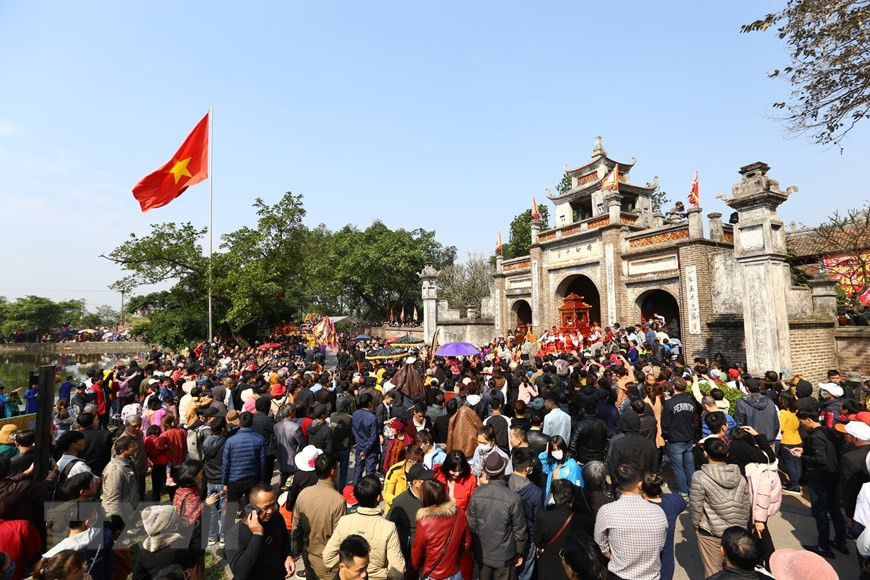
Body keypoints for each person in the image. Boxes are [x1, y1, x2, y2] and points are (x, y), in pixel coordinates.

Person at [593, 462, 667, 580]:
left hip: (618, 574)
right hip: (651, 576)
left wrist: (613, 556)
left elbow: (600, 542)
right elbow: (661, 545)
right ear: (640, 484)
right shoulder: (659, 512)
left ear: (617, 484)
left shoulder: (606, 511)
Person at [323, 476, 405, 580]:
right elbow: (397, 571)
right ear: (378, 498)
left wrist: (350, 567)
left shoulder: (345, 521)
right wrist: (381, 573)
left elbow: (328, 559)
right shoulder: (388, 527)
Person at [689, 438, 751, 577]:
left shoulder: (699, 477)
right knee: (736, 569)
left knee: (713, 571)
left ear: (705, 453)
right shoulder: (740, 476)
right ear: (727, 454)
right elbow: (746, 504)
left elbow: (696, 506)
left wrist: (695, 526)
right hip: (737, 530)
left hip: (711, 531)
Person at [793, 407, 848, 559]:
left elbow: (820, 459)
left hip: (819, 478)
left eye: (802, 421)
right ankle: (840, 540)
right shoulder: (827, 431)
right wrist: (805, 451)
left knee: (820, 513)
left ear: (809, 420)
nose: (802, 424)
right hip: (833, 475)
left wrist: (802, 457)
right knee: (835, 510)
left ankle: (823, 546)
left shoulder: (815, 437)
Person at [466, 453, 528, 580]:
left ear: (487, 473)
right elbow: (520, 530)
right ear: (503, 471)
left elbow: (471, 525)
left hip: (482, 554)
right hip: (504, 558)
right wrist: (520, 552)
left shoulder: (476, 494)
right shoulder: (513, 498)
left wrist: (473, 549)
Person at [291, 454, 346, 579]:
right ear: (333, 471)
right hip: (327, 562)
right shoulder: (338, 500)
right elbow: (339, 536)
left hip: (308, 556)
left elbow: (295, 527)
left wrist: (297, 549)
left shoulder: (304, 493)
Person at [226, 482, 295, 580]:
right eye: (265, 507)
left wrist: (288, 556)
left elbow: (284, 542)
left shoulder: (277, 517)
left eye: (273, 505)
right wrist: (257, 534)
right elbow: (240, 573)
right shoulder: (233, 534)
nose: (270, 511)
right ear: (252, 508)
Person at [411, 479, 472, 580]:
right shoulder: (459, 512)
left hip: (432, 574)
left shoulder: (424, 522)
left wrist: (410, 574)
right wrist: (454, 558)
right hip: (454, 572)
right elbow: (467, 541)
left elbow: (417, 553)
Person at [173, 459, 219, 578]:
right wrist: (206, 504)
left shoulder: (182, 489)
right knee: (195, 566)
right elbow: (190, 518)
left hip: (187, 535)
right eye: (201, 473)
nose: (203, 475)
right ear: (192, 476)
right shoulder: (189, 495)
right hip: (191, 536)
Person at [387, 463, 433, 577]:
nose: (431, 483)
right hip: (410, 557)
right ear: (415, 483)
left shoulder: (434, 497)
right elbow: (388, 527)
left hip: (431, 553)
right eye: (426, 480)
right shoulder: (400, 502)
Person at [506, 448, 544, 580]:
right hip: (528, 539)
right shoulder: (535, 492)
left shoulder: (504, 482)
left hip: (506, 536)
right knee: (525, 574)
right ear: (528, 468)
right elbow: (538, 520)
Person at [534, 479, 584, 580]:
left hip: (549, 567)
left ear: (553, 496)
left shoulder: (543, 517)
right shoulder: (585, 520)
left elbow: (537, 541)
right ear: (573, 497)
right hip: (574, 568)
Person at [132, 505, 198, 580]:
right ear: (169, 527)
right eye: (175, 521)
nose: (179, 521)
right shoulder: (177, 547)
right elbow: (197, 549)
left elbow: (137, 577)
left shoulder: (143, 549)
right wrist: (190, 527)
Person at [641, 472, 687, 580]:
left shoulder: (639, 508)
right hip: (666, 562)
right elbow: (682, 501)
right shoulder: (672, 502)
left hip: (644, 564)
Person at [662, 377, 699, 498]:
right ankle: (693, 489)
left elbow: (665, 423)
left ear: (673, 387)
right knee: (689, 465)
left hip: (675, 439)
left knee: (678, 467)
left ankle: (683, 491)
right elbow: (694, 421)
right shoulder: (691, 402)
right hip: (688, 438)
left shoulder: (669, 403)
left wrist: (666, 435)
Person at [222, 411, 266, 510]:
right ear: (252, 423)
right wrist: (262, 479)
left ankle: (230, 525)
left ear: (239, 423)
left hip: (235, 479)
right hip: (253, 477)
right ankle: (252, 525)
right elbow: (262, 462)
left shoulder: (230, 441)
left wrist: (224, 482)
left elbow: (226, 463)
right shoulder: (259, 439)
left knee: (231, 510)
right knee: (253, 508)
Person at [836, 420, 870, 537]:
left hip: (859, 507)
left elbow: (848, 488)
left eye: (846, 434)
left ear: (853, 438)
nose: (845, 436)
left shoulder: (849, 458)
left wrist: (849, 514)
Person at [101, 435, 139, 526]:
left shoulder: (129, 461)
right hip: (120, 513)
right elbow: (112, 497)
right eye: (132, 446)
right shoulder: (115, 471)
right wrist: (116, 521)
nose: (136, 447)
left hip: (128, 509)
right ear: (122, 451)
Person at [607, 411, 657, 475]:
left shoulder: (618, 444)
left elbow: (613, 469)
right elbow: (655, 468)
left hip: (625, 483)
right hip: (643, 481)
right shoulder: (649, 444)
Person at [539, 435, 582, 499]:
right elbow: (545, 469)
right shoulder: (553, 463)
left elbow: (577, 487)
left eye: (559, 449)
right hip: (551, 499)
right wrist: (546, 453)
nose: (556, 452)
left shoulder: (573, 465)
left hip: (563, 501)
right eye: (553, 450)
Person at [274, 405, 306, 488]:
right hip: (293, 459)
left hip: (281, 458)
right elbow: (302, 443)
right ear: (291, 413)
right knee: (292, 483)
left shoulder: (276, 426)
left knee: (283, 482)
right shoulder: (296, 427)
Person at [383, 444, 423, 510]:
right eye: (418, 462)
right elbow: (386, 494)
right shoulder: (395, 470)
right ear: (410, 461)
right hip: (395, 509)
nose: (421, 464)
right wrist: (401, 503)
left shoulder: (422, 472)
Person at [777, 392, 802, 493]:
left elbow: (781, 428)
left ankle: (794, 485)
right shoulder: (795, 411)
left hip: (786, 441)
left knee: (789, 464)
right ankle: (795, 482)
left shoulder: (783, 413)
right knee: (796, 463)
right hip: (797, 439)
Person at [352, 393, 380, 484]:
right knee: (370, 472)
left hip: (360, 446)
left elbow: (354, 430)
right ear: (369, 403)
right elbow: (373, 436)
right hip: (370, 449)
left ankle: (356, 489)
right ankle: (369, 491)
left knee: (358, 470)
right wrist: (366, 450)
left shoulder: (355, 414)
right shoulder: (372, 418)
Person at [76, 413, 112, 477]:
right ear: (93, 422)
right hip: (101, 471)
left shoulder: (75, 437)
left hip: (80, 472)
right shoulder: (105, 435)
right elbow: (109, 454)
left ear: (78, 425)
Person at [331, 396, 354, 491]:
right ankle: (341, 490)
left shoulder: (332, 416)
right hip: (344, 448)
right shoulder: (349, 418)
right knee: (343, 472)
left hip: (334, 447)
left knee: (332, 470)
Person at [144, 425, 169, 501]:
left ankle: (156, 498)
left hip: (155, 462)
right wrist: (166, 446)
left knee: (155, 483)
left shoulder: (147, 439)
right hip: (161, 463)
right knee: (160, 481)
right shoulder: (154, 438)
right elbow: (159, 446)